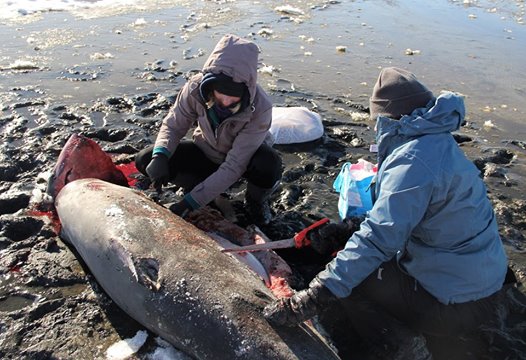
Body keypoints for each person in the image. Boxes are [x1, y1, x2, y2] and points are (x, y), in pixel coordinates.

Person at [264, 67, 511, 359]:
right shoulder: (438, 141)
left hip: (456, 306)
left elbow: (379, 239)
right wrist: (347, 229)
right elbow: (401, 218)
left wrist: (311, 298)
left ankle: (402, 345)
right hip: (480, 282)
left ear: (387, 116)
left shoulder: (413, 161)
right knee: (357, 256)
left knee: (353, 279)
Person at [135, 34, 282, 226]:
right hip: (206, 151)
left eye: (234, 100)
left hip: (244, 162)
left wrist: (189, 203)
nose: (227, 103)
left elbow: (235, 164)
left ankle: (255, 201)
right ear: (210, 87)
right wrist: (160, 155)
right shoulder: (195, 88)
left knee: (269, 163)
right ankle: (199, 185)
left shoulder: (261, 107)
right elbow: (173, 125)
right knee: (144, 159)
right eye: (221, 97)